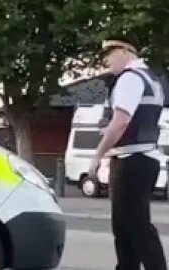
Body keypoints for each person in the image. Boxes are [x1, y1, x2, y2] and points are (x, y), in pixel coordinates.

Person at [89, 35, 167, 270]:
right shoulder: (152, 79)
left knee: (135, 227)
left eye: (109, 56)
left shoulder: (130, 79)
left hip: (131, 159)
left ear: (124, 51)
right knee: (126, 227)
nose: (108, 63)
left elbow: (121, 121)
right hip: (143, 158)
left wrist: (97, 155)